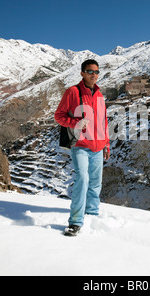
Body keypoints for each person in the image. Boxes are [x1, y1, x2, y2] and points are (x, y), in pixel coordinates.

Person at [54, 59, 110, 236]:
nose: (94, 75)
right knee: (83, 179)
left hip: (98, 145)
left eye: (96, 72)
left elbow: (103, 122)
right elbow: (59, 116)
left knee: (95, 183)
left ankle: (92, 214)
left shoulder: (100, 95)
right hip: (80, 145)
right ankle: (75, 221)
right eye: (90, 71)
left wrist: (106, 144)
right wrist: (76, 123)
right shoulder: (72, 92)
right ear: (82, 73)